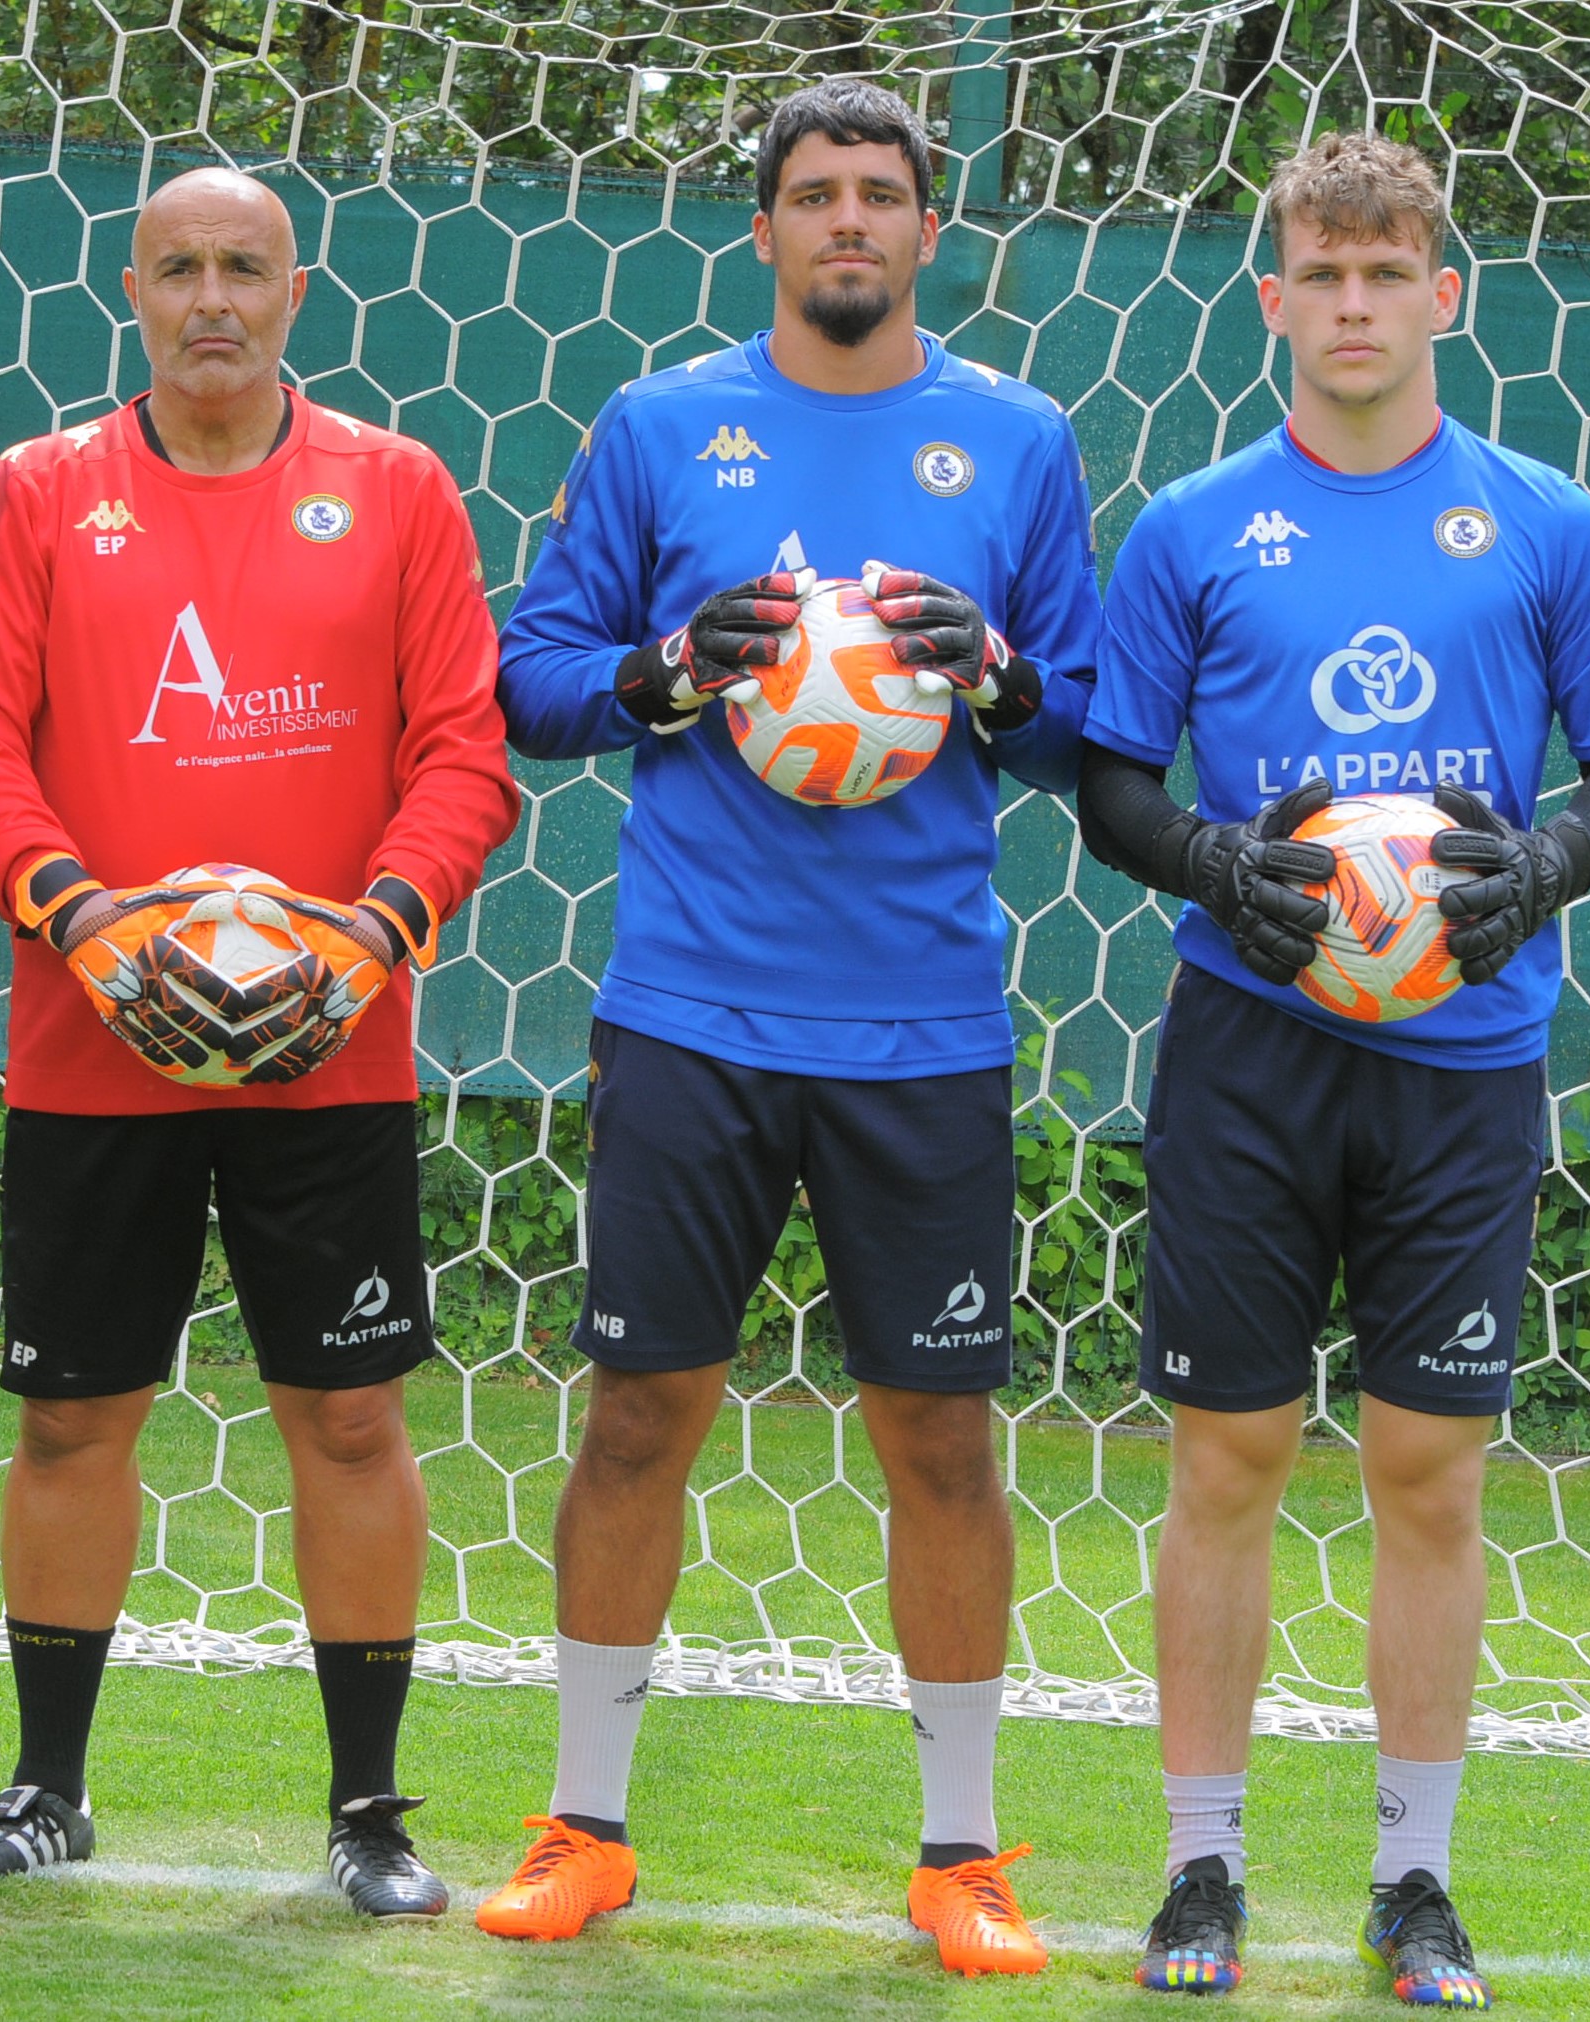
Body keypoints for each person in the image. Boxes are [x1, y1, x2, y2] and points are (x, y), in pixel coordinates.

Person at [482, 77, 1101, 1974]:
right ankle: (582, 1826)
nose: (848, 220)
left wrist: (988, 670)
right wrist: (673, 669)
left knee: (939, 1437)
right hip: (689, 1011)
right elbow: (534, 677)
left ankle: (960, 1856)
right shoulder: (663, 427)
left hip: (920, 1023)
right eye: (814, 194)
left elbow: (1082, 727)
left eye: (880, 194)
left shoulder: (1014, 440)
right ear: (760, 228)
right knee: (637, 1411)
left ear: (932, 229)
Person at [1078, 131, 1590, 2007]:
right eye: (1317, 273)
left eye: (1382, 270)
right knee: (1228, 1450)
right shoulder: (1186, 525)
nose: (1351, 303)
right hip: (1247, 1048)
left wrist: (1545, 877)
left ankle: (1415, 1881)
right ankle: (1199, 1865)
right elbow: (1107, 781)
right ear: (1272, 298)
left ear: (1443, 294)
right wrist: (1215, 869)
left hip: (1464, 1054)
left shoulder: (1546, 523)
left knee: (1428, 1468)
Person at [0, 166, 519, 1918]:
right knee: (69, 1421)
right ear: (129, 286)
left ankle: (370, 1811)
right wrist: (83, 918)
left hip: (326, 1048)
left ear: (295, 290)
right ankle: (43, 1788)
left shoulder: (394, 489)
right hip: (95, 1037)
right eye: (177, 267)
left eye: (241, 267)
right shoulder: (38, 492)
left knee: (346, 1421)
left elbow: (462, 753)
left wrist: (368, 934)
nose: (210, 300)